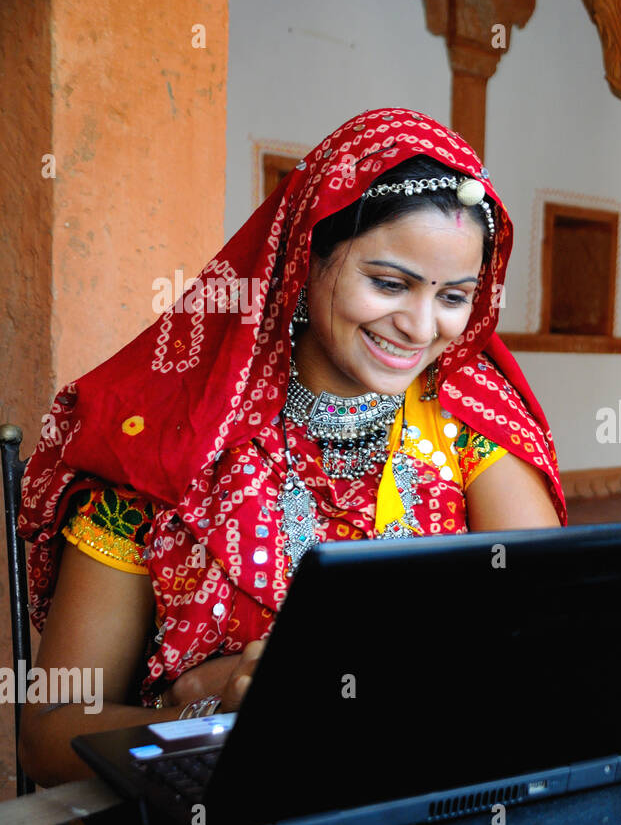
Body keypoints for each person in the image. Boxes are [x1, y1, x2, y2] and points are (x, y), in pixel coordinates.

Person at [18, 109, 567, 786]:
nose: (422, 327)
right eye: (390, 284)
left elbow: (553, 646)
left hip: (421, 797)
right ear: (305, 259)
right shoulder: (163, 435)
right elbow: (47, 737)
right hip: (212, 813)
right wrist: (206, 708)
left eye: (454, 296)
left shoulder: (467, 417)